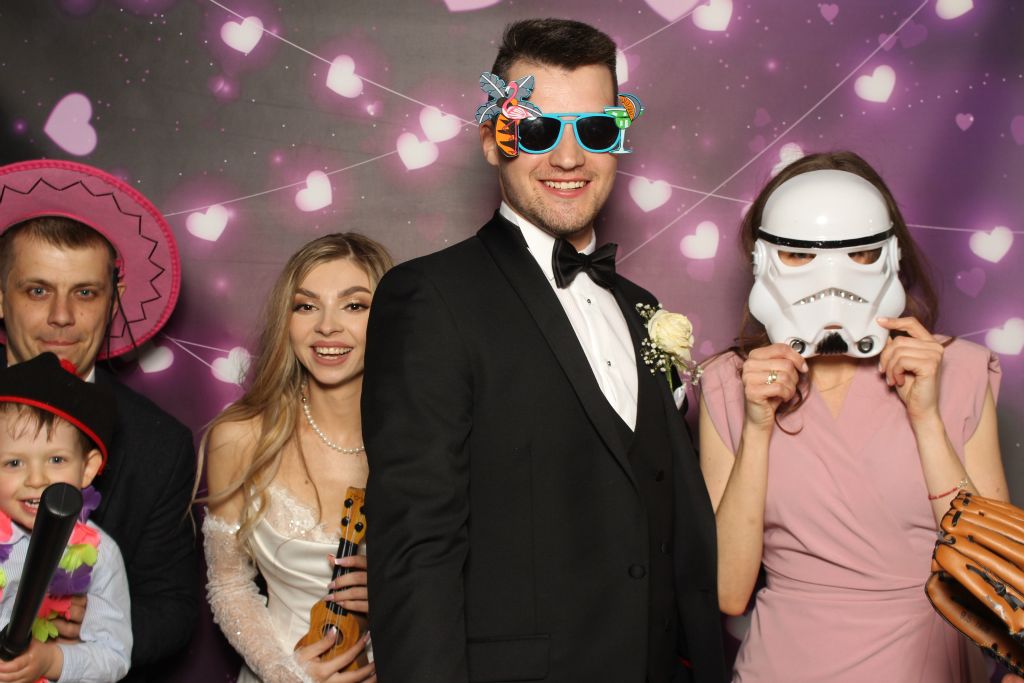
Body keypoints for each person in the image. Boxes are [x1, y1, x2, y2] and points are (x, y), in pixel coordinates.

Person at [361, 18, 725, 683]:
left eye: (595, 130)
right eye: (536, 131)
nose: (568, 158)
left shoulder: (642, 308)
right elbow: (415, 547)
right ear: (491, 142)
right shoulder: (430, 298)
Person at [698, 150, 1010, 682]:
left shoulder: (957, 369)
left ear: (890, 254)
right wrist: (756, 427)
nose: (831, 279)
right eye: (799, 254)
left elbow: (993, 578)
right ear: (763, 260)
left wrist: (927, 419)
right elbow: (728, 590)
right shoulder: (730, 382)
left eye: (860, 253)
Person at [0, 160, 198, 681]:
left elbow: (174, 609)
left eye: (85, 293)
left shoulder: (160, 444)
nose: (62, 316)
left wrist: (97, 621)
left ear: (113, 301)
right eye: (37, 290)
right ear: (0, 296)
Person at [201, 233, 390, 683]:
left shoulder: (433, 439)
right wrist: (285, 673)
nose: (327, 326)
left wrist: (399, 593)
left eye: (354, 305)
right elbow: (228, 583)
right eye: (306, 306)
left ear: (391, 315)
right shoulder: (241, 437)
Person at [0, 351, 131, 683]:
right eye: (14, 463)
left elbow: (114, 655)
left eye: (56, 460)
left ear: (87, 468)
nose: (37, 479)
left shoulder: (102, 555)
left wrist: (52, 661)